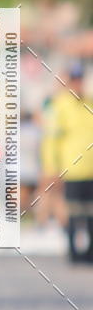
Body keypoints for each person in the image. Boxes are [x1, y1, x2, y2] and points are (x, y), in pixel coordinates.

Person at [40, 62, 93, 262]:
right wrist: (51, 168)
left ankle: (89, 252)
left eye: (81, 81)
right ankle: (73, 250)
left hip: (91, 169)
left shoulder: (89, 103)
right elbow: (51, 139)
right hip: (72, 168)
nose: (78, 85)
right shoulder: (59, 106)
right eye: (75, 81)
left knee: (90, 212)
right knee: (73, 212)